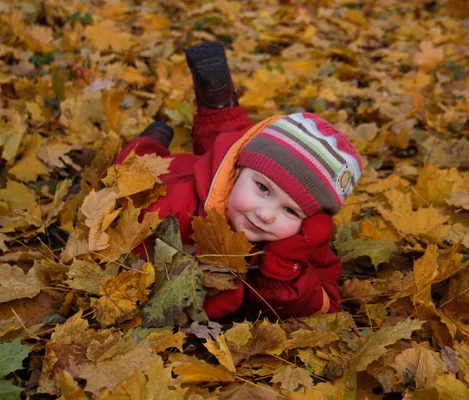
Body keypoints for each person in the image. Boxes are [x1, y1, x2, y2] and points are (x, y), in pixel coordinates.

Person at [115, 42, 363, 320]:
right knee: (136, 165)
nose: (265, 214)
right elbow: (124, 212)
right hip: (180, 175)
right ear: (237, 172)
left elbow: (326, 305)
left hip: (238, 173)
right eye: (263, 189)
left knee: (231, 146)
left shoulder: (303, 242)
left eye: (291, 210)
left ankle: (219, 108)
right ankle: (156, 137)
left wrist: (285, 265)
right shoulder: (176, 206)